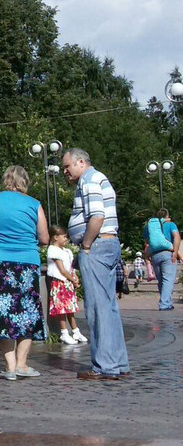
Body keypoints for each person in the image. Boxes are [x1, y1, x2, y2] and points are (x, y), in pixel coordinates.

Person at [62, 147, 130, 380]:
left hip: (97, 247)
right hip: (109, 245)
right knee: (109, 307)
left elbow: (97, 216)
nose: (64, 172)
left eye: (67, 166)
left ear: (80, 162)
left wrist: (87, 245)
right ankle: (118, 363)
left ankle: (104, 366)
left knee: (97, 309)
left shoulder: (89, 180)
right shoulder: (100, 178)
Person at [0, 165, 49, 380]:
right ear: (25, 182)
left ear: (5, 180)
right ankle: (22, 364)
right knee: (28, 312)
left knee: (4, 312)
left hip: (0, 262)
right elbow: (45, 238)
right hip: (28, 262)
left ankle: (9, 368)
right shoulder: (34, 204)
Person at [45, 226, 86, 345]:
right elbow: (62, 270)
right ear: (55, 237)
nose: (66, 239)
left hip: (67, 282)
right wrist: (72, 279)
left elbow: (68, 267)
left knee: (69, 308)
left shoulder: (65, 251)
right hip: (60, 283)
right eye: (64, 237)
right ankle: (64, 332)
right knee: (61, 308)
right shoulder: (53, 251)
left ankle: (75, 331)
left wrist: (74, 276)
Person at [142, 208, 180, 311]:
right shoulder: (170, 224)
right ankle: (164, 304)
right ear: (167, 216)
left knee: (161, 281)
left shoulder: (149, 226)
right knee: (168, 280)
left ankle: (167, 302)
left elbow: (146, 241)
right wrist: (175, 252)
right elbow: (177, 236)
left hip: (154, 255)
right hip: (167, 253)